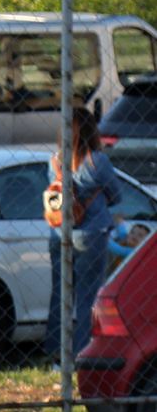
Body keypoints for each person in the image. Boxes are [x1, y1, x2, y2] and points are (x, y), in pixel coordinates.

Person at [44, 106, 122, 360]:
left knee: (60, 294)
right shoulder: (97, 161)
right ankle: (81, 353)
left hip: (59, 233)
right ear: (91, 131)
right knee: (88, 296)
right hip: (91, 235)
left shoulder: (55, 161)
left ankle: (55, 352)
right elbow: (117, 195)